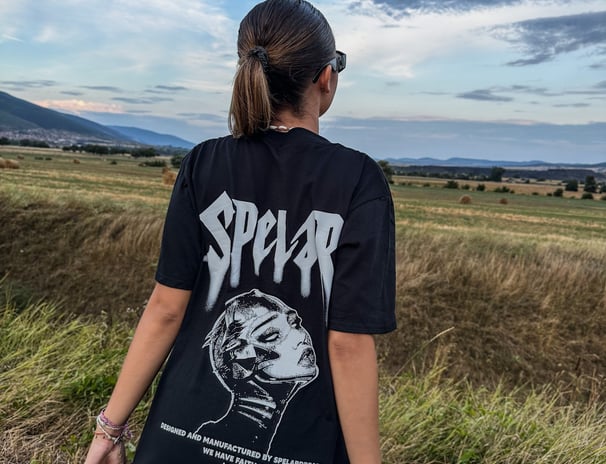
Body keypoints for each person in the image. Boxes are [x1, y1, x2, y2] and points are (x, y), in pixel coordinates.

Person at [84, 1, 395, 463]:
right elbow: (347, 343)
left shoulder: (203, 162)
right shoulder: (358, 180)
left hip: (175, 442)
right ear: (326, 77)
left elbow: (166, 309)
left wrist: (109, 430)